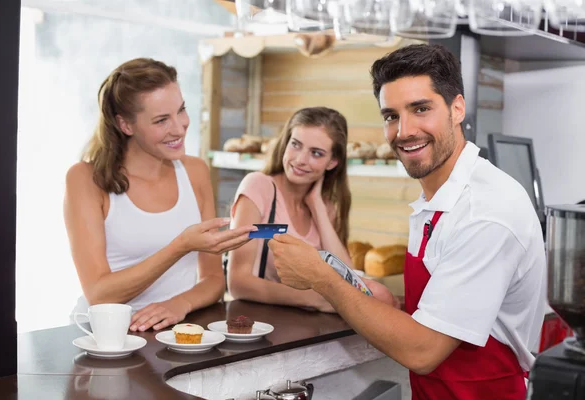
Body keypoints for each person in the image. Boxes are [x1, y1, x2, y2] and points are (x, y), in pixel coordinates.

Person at [268, 44, 547, 399]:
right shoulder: (439, 198)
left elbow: (423, 351)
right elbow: (440, 311)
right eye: (391, 116)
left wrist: (322, 278)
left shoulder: (485, 211)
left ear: (456, 108)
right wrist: (384, 300)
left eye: (420, 109)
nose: (403, 131)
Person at [64, 58, 255, 332]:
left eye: (181, 110)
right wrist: (180, 246)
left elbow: (213, 279)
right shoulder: (85, 179)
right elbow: (100, 294)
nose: (179, 128)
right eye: (161, 120)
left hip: (175, 331)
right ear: (126, 125)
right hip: (108, 336)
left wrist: (179, 304)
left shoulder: (195, 171)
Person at [228, 107, 397, 312]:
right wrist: (313, 299)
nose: (300, 159)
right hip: (259, 326)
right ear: (286, 142)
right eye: (295, 145)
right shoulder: (259, 187)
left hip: (307, 329)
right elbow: (238, 283)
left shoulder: (326, 206)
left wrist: (317, 206)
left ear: (332, 162)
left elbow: (350, 279)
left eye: (316, 153)